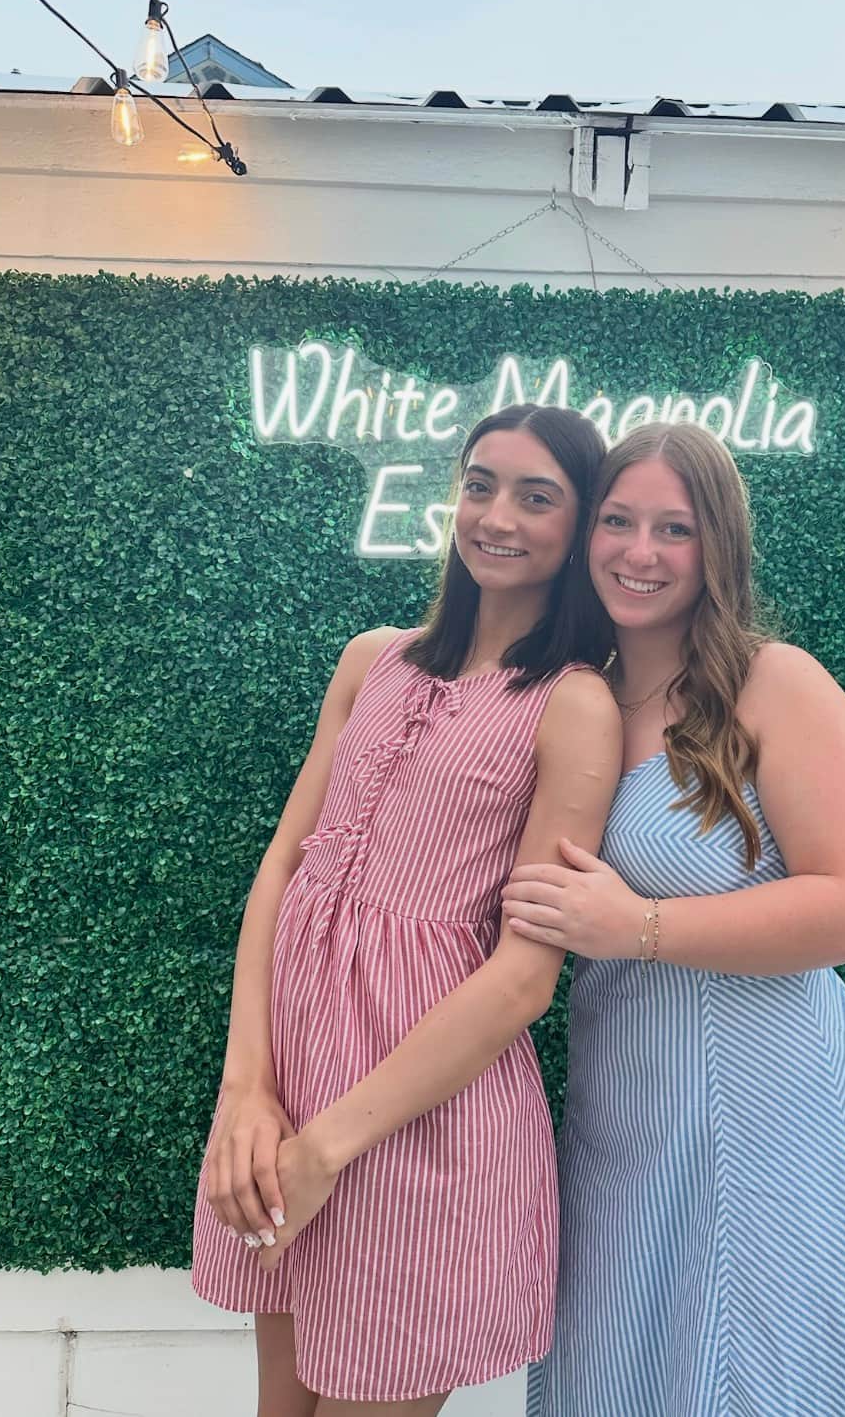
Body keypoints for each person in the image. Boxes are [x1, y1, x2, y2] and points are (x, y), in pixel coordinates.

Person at [507, 422, 845, 1417]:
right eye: (618, 521)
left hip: (773, 1106)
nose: (639, 550)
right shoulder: (575, 697)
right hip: (623, 1106)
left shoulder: (774, 682)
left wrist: (642, 927)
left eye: (674, 527)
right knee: (618, 1370)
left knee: (752, 1379)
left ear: (719, 546)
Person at [190, 403, 621, 1417]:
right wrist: (246, 1090)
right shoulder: (371, 659)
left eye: (536, 495)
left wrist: (325, 1147)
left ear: (577, 524)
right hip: (289, 1089)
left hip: (417, 1121)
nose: (496, 515)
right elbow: (284, 874)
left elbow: (523, 977)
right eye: (480, 484)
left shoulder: (571, 701)